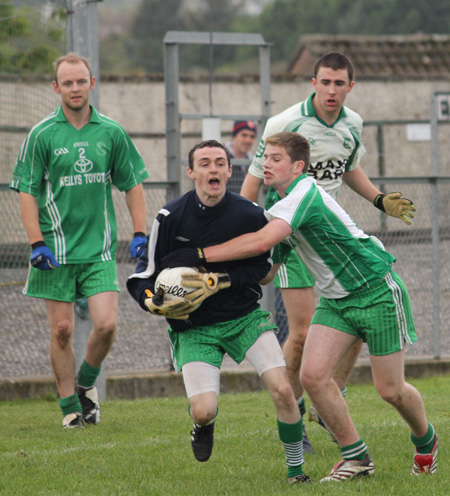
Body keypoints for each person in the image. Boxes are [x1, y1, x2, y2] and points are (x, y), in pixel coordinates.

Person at [162, 132, 438, 481]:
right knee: (311, 377)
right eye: (266, 157)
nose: (266, 164)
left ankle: (426, 441)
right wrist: (214, 282)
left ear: (298, 166)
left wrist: (198, 256)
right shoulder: (280, 207)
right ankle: (356, 458)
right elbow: (267, 272)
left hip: (375, 290)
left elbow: (261, 240)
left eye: (276, 158)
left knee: (390, 390)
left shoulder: (305, 193)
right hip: (337, 302)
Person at [239, 52, 416, 448]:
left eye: (340, 83)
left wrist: (378, 199)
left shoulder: (353, 123)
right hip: (289, 235)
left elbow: (349, 169)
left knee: (355, 322)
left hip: (329, 241)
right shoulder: (284, 124)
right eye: (325, 82)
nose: (332, 90)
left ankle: (328, 398)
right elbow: (253, 183)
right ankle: (294, 411)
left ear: (350, 87)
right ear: (313, 83)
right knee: (301, 333)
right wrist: (246, 233)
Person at [127, 140, 311, 485]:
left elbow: (262, 268)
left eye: (219, 163)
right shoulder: (169, 217)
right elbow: (143, 274)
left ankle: (296, 470)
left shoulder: (249, 214)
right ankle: (202, 426)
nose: (213, 169)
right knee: (204, 408)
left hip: (244, 317)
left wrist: (219, 281)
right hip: (194, 327)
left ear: (230, 170)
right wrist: (150, 299)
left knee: (283, 390)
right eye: (205, 163)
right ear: (191, 171)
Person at [9, 53, 149, 428]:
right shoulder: (42, 135)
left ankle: (86, 385)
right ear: (56, 88)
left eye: (80, 81)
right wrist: (35, 243)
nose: (75, 88)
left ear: (92, 83)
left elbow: (132, 182)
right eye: (67, 83)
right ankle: (70, 407)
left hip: (99, 251)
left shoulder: (111, 132)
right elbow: (26, 191)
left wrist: (140, 231)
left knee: (106, 325)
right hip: (54, 251)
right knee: (63, 330)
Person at [225, 120, 257, 193]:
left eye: (252, 136)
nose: (248, 140)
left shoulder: (254, 161)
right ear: (234, 136)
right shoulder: (223, 158)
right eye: (244, 135)